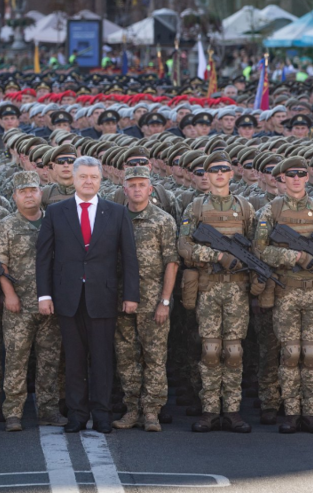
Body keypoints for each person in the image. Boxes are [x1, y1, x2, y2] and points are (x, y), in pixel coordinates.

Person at [36, 155, 139, 434]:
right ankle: (77, 415)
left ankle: (102, 415)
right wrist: (43, 295)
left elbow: (129, 258)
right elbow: (44, 258)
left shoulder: (116, 212)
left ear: (101, 180)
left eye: (94, 177)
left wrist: (131, 295)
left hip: (102, 297)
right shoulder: (56, 212)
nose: (89, 181)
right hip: (67, 297)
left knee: (103, 360)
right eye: (84, 177)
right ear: (74, 179)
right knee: (74, 359)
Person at [253, 156, 313, 434]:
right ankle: (290, 411)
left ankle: (310, 412)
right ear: (282, 179)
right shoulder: (271, 210)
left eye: (302, 174)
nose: (297, 179)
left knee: (311, 354)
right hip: (286, 289)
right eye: (291, 175)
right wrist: (294, 256)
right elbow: (260, 250)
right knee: (289, 354)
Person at [177, 152, 255, 433]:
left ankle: (232, 410)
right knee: (210, 350)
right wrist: (216, 256)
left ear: (231, 174)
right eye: (213, 170)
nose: (219, 174)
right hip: (209, 286)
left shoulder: (245, 208)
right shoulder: (195, 208)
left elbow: (255, 249)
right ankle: (210, 409)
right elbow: (184, 246)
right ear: (206, 176)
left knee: (233, 350)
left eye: (224, 169)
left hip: (236, 288)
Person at [0, 171, 66, 431]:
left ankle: (48, 409)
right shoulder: (7, 225)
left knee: (49, 359)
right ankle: (13, 412)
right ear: (14, 196)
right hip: (19, 304)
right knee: (16, 357)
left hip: (50, 304)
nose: (29, 195)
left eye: (33, 190)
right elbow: (0, 264)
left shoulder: (54, 221)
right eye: (23, 191)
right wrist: (9, 294)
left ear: (41, 193)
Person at [112, 166, 178, 432]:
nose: (137, 189)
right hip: (121, 300)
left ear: (150, 189)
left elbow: (171, 263)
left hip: (153, 303)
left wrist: (164, 301)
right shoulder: (115, 218)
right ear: (124, 190)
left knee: (154, 357)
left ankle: (151, 412)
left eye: (142, 185)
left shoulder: (163, 221)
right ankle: (131, 409)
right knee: (126, 356)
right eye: (132, 185)